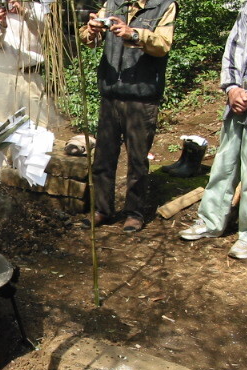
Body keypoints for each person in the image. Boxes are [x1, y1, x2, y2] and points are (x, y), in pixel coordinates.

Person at [79, 0, 177, 232]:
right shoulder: (112, 3)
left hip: (141, 96)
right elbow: (87, 39)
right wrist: (91, 30)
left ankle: (134, 212)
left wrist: (133, 34)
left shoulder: (163, 5)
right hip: (111, 93)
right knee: (103, 157)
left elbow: (163, 45)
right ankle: (102, 209)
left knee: (137, 160)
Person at [179, 1, 247, 259]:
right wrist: (232, 89)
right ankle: (210, 222)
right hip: (238, 106)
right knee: (224, 166)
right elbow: (233, 50)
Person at [0, 0, 51, 129]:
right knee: (2, 128)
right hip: (4, 76)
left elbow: (46, 29)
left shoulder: (37, 8)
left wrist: (25, 13)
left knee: (38, 126)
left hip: (32, 76)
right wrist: (1, 25)